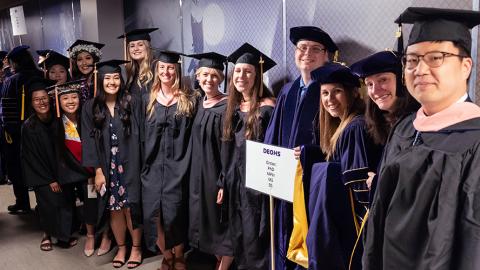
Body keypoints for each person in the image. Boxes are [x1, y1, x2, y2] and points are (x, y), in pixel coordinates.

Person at [363, 7, 480, 270]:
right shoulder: (405, 128)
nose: (420, 69)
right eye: (412, 60)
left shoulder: (474, 142)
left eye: (436, 57)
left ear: (465, 66)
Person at [262, 26, 338, 270]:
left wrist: (311, 152)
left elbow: (339, 137)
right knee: (283, 229)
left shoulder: (330, 91)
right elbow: (272, 135)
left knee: (309, 236)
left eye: (316, 49)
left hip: (312, 180)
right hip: (285, 178)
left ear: (327, 55)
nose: (307, 53)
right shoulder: (288, 90)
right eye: (302, 48)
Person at [218, 43, 276, 270]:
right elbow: (228, 151)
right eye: (238, 71)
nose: (241, 76)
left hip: (258, 185)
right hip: (235, 182)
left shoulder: (268, 107)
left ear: (257, 75)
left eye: (248, 71)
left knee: (256, 235)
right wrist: (223, 182)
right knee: (239, 233)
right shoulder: (233, 107)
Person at [82, 60, 143, 269]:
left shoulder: (132, 102)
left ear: (121, 80)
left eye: (116, 77)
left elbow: (143, 136)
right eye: (107, 78)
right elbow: (89, 141)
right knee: (114, 209)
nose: (112, 82)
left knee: (131, 207)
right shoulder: (90, 107)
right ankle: (122, 247)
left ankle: (136, 248)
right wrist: (98, 171)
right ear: (100, 80)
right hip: (107, 167)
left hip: (132, 164)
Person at [142, 51, 199, 270]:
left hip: (179, 167)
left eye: (171, 68)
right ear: (157, 70)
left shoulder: (189, 99)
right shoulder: (147, 99)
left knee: (176, 213)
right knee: (153, 215)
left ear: (177, 70)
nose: (166, 72)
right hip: (152, 168)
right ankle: (166, 253)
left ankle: (179, 254)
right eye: (162, 68)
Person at [187, 52, 233, 269]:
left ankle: (223, 263)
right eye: (205, 74)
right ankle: (211, 257)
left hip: (215, 172)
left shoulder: (227, 106)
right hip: (197, 172)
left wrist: (223, 180)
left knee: (219, 220)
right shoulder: (198, 103)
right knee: (202, 216)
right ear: (197, 76)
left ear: (221, 79)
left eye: (214, 75)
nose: (209, 79)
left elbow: (228, 146)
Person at [22, 77, 78, 251]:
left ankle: (64, 235)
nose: (41, 102)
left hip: (63, 172)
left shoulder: (59, 120)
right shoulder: (29, 126)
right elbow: (30, 157)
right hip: (43, 176)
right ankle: (46, 234)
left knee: (66, 202)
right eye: (37, 100)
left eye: (44, 98)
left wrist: (63, 174)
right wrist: (49, 179)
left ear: (50, 99)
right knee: (47, 203)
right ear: (31, 103)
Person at [350, 51, 419, 192]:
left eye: (383, 80)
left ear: (402, 80)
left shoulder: (417, 123)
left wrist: (379, 183)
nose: (375, 90)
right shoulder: (377, 123)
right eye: (369, 84)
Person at [1, 45, 43, 213]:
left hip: (17, 132)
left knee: (16, 168)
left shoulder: (11, 80)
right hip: (39, 130)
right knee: (41, 167)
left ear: (14, 63)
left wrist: (9, 131)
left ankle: (22, 202)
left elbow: (5, 110)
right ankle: (43, 203)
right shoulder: (40, 76)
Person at [118, 28, 158, 97]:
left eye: (140, 45)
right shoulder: (133, 73)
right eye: (132, 46)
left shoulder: (156, 68)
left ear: (147, 47)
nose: (136, 49)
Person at [68, 39, 104, 104]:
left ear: (95, 60)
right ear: (76, 63)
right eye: (79, 59)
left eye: (88, 58)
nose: (84, 63)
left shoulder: (103, 80)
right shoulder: (74, 84)